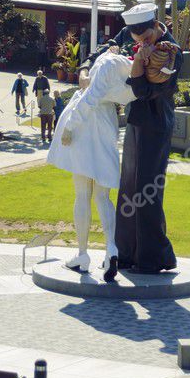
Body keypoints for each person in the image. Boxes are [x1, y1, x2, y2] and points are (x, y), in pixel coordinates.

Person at [79, 3, 182, 274]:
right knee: (128, 188)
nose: (142, 43)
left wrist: (137, 63)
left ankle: (153, 258)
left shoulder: (171, 51)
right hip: (136, 121)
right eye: (137, 41)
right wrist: (86, 69)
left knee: (147, 191)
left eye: (146, 38)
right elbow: (101, 49)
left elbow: (145, 91)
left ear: (156, 26)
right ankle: (125, 253)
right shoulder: (129, 34)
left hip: (157, 122)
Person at [48, 51, 134, 281]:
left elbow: (89, 98)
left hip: (87, 128)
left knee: (82, 194)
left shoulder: (106, 64)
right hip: (107, 124)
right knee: (102, 197)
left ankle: (83, 254)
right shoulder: (126, 68)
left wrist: (69, 126)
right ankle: (111, 248)